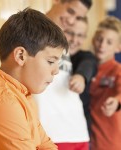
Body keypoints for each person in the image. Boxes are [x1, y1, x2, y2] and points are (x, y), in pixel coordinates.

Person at [0, 8, 69, 150]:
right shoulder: (3, 102)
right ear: (21, 56)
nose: (56, 71)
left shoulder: (21, 95)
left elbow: (46, 145)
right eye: (50, 61)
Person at [34, 0, 93, 150]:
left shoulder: (61, 36)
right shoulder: (32, 30)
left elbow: (88, 59)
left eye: (78, 17)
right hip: (52, 135)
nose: (72, 21)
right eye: (71, 11)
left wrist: (82, 75)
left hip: (79, 132)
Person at [90, 16, 121, 150]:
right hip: (85, 140)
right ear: (93, 40)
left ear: (118, 47)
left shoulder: (117, 70)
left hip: (109, 143)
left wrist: (116, 102)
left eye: (109, 42)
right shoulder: (85, 67)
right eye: (99, 39)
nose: (102, 45)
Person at [64, 17, 97, 136]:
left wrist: (80, 77)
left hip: (79, 130)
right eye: (70, 33)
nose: (74, 40)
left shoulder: (86, 56)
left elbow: (88, 65)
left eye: (80, 35)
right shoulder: (53, 57)